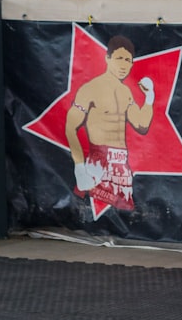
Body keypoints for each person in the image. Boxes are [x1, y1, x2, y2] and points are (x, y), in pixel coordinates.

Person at [65, 35, 154, 211]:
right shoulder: (90, 89)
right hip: (98, 160)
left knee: (125, 216)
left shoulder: (126, 92)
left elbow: (141, 123)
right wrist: (80, 168)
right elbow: (70, 127)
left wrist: (150, 96)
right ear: (107, 59)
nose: (123, 64)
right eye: (119, 58)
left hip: (122, 163)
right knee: (94, 215)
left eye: (128, 60)